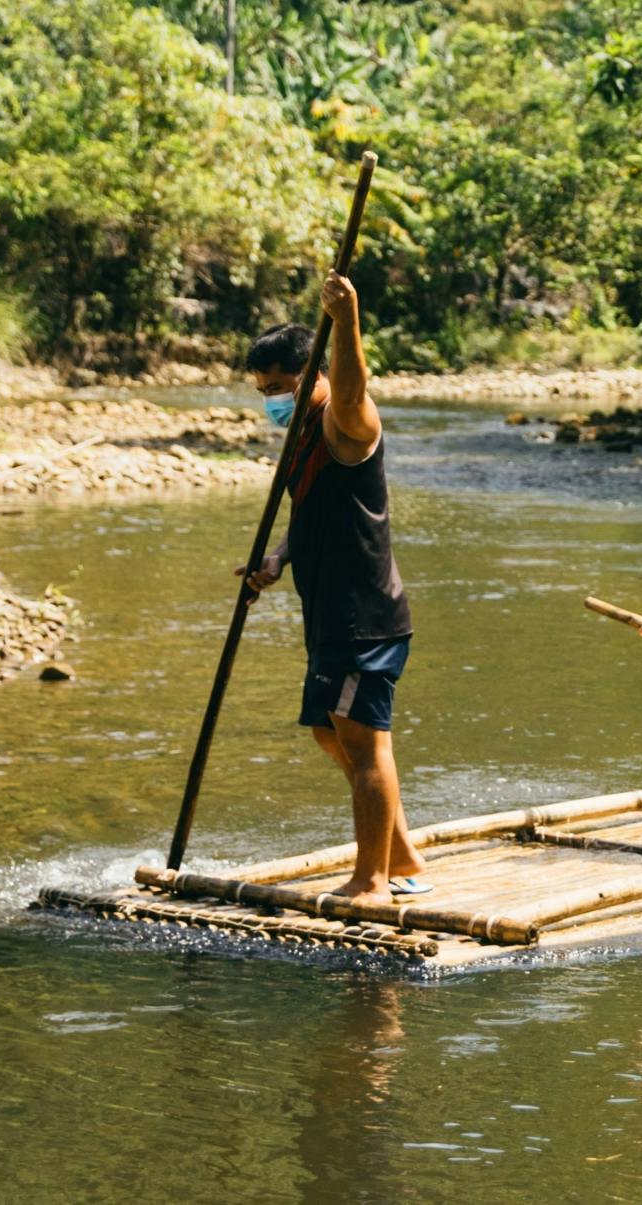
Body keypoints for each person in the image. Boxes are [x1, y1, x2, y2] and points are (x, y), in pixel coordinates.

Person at [238, 273, 424, 903]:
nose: (272, 402)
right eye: (263, 392)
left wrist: (347, 321)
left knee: (364, 742)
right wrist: (277, 559)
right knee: (328, 730)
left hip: (363, 614)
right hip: (328, 613)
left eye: (281, 388)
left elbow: (351, 388)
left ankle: (373, 880)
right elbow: (310, 513)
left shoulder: (346, 423)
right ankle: (400, 852)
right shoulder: (299, 441)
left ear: (313, 373)